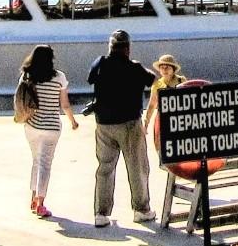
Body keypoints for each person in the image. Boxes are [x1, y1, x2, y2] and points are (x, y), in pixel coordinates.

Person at [88, 29, 157, 227]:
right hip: (129, 123)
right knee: (137, 167)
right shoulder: (134, 67)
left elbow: (90, 78)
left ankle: (101, 214)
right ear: (127, 48)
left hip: (103, 124)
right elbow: (151, 79)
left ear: (110, 47)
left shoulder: (100, 63)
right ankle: (141, 210)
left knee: (105, 168)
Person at [16, 45, 79, 219]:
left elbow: (20, 98)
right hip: (51, 127)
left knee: (36, 160)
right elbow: (64, 104)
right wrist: (73, 121)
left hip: (31, 124)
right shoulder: (59, 77)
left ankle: (33, 198)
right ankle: (40, 203)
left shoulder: (27, 76)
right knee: (45, 164)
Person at [142, 54, 187, 131]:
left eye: (167, 67)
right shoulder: (157, 84)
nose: (164, 70)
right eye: (162, 68)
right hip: (163, 119)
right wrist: (146, 123)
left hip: (180, 118)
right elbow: (152, 105)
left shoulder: (181, 80)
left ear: (173, 69)